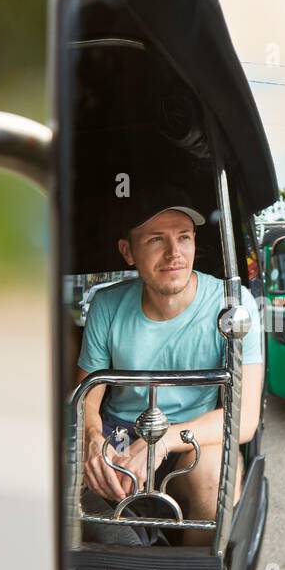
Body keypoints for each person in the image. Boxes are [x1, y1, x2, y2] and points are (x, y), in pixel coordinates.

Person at [75, 187, 264, 546]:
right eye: (156, 240)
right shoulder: (107, 305)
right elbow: (87, 399)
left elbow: (244, 419)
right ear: (128, 252)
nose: (174, 253)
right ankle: (118, 556)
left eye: (184, 238)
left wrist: (162, 441)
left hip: (191, 436)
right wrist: (94, 443)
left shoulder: (233, 308)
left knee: (215, 476)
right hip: (120, 433)